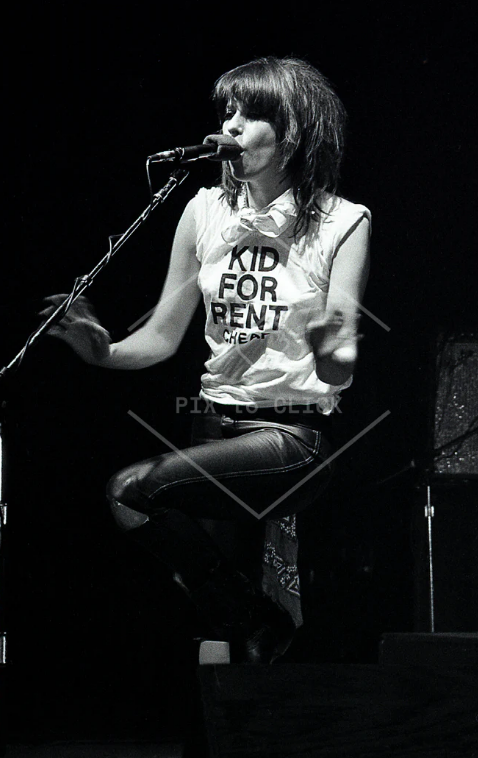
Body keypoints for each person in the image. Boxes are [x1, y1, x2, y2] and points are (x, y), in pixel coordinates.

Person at [42, 56, 371, 664]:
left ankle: (267, 630)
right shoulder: (203, 211)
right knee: (215, 639)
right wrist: (106, 351)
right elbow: (164, 338)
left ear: (292, 129)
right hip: (213, 423)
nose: (231, 125)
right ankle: (245, 666)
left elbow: (339, 366)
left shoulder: (342, 222)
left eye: (249, 113)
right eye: (226, 111)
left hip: (291, 433)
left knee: (131, 490)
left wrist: (333, 351)